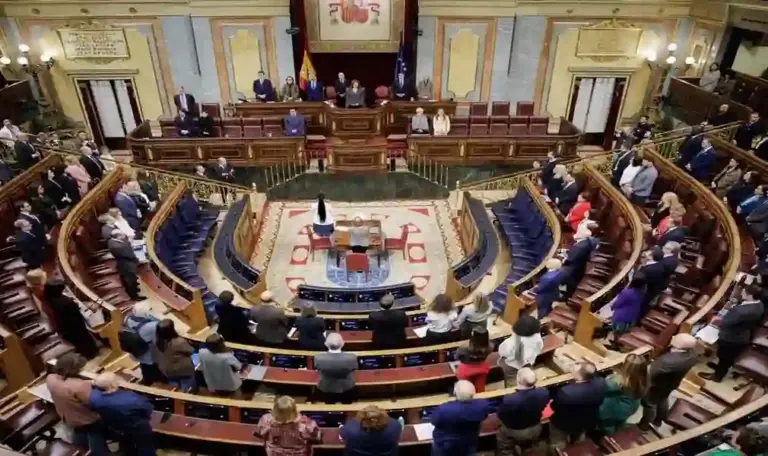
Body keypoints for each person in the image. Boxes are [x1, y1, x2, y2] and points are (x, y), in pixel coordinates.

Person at [46, 353, 108, 456]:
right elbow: (95, 402)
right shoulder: (79, 387)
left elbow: (70, 385)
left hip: (68, 416)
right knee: (96, 435)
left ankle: (81, 450)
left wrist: (90, 382)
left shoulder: (51, 378)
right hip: (87, 419)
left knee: (80, 434)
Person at [701, 285, 765, 382]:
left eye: (744, 292)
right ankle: (720, 368)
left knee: (724, 357)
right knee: (727, 357)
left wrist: (716, 320)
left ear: (750, 296)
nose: (742, 293)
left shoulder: (741, 311)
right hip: (742, 335)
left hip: (731, 338)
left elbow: (725, 323)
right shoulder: (760, 305)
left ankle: (717, 376)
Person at [88, 372, 155, 456]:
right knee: (145, 447)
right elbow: (148, 409)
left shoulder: (93, 396)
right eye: (116, 379)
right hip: (137, 427)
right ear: (112, 385)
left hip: (116, 427)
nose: (118, 379)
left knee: (128, 444)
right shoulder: (131, 399)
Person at [639, 333, 698, 429]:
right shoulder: (692, 354)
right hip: (671, 383)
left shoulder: (668, 361)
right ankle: (659, 420)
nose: (673, 337)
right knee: (662, 399)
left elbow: (650, 372)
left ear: (679, 345)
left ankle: (645, 426)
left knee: (649, 404)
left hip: (657, 385)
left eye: (676, 338)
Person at [549, 361, 607, 448]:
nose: (572, 369)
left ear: (580, 376)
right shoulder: (601, 383)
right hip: (587, 421)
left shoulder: (566, 392)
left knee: (559, 442)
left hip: (564, 424)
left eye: (574, 369)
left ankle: (559, 450)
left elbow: (554, 406)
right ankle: (578, 447)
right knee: (579, 439)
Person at [496, 368, 550, 455]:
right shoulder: (543, 392)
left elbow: (500, 415)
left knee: (505, 449)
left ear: (518, 379)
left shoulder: (510, 400)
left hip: (513, 430)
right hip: (535, 427)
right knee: (530, 448)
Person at [430, 380, 489, 456]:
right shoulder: (483, 405)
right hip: (469, 441)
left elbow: (433, 421)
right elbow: (484, 416)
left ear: (455, 393)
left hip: (445, 444)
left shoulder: (444, 409)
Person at [44, 279, 99, 358]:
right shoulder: (64, 302)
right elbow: (74, 310)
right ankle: (91, 353)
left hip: (65, 327)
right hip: (75, 325)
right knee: (83, 340)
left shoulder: (51, 299)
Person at [255, 396, 322, 456]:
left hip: (275, 453)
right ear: (294, 410)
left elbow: (259, 433)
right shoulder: (303, 425)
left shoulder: (266, 420)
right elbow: (317, 436)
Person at [598, 353, 648, 434]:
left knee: (608, 426)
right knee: (620, 422)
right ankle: (620, 432)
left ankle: (610, 438)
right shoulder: (644, 379)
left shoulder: (617, 382)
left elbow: (602, 388)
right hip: (631, 407)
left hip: (616, 411)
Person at [122, 300, 164, 385]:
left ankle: (148, 381)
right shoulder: (152, 326)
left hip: (137, 352)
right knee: (156, 371)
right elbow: (165, 324)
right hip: (150, 354)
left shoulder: (128, 318)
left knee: (145, 368)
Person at [497, 315, 543, 387]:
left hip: (512, 366)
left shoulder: (510, 343)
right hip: (528, 362)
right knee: (526, 376)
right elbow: (539, 348)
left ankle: (512, 392)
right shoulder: (537, 337)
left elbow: (502, 352)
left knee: (511, 380)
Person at [152, 319, 196, 391]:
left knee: (174, 387)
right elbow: (191, 351)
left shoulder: (156, 340)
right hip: (182, 369)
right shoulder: (178, 342)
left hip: (167, 369)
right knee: (187, 386)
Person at [314, 332, 358, 403]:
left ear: (326, 344)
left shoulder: (318, 357)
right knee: (347, 404)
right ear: (343, 343)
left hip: (326, 387)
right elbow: (354, 368)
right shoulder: (352, 357)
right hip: (347, 386)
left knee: (329, 406)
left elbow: (317, 368)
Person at [562, 225, 598, 298]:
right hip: (580, 266)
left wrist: (563, 259)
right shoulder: (588, 241)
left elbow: (569, 260)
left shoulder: (580, 246)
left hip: (574, 269)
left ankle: (563, 296)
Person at [108, 231, 145, 301]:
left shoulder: (111, 241)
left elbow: (125, 246)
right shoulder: (118, 247)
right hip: (127, 266)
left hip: (123, 263)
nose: (124, 236)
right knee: (130, 282)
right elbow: (130, 256)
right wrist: (138, 260)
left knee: (131, 280)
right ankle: (135, 297)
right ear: (118, 236)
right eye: (123, 235)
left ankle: (135, 290)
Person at [455, 327, 492, 392]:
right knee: (480, 390)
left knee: (466, 390)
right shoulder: (490, 346)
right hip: (482, 369)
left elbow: (456, 357)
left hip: (465, 370)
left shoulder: (463, 347)